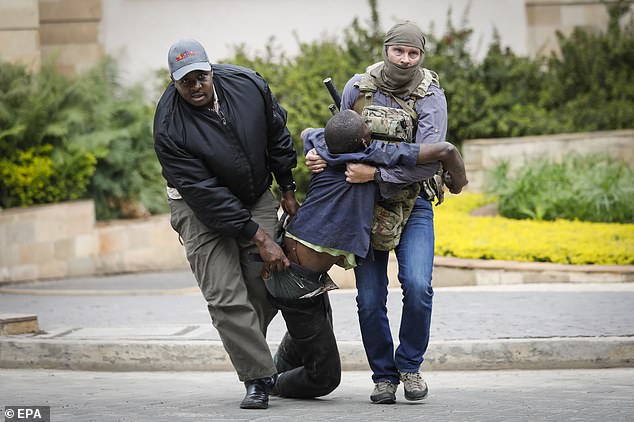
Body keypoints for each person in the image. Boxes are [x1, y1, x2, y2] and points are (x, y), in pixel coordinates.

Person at [269, 110, 467, 398]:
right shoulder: (372, 154)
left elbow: (305, 133)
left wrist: (314, 149)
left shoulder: (324, 144)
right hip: (299, 283)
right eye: (368, 130)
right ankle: (264, 383)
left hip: (298, 267)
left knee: (306, 333)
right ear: (365, 141)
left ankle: (271, 372)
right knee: (324, 377)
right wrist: (458, 181)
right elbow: (446, 149)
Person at [306, 21, 452, 404]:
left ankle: (410, 367)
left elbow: (429, 160)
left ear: (421, 56)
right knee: (369, 299)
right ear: (385, 50)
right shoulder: (358, 87)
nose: (405, 59)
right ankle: (384, 376)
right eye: (398, 51)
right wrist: (320, 157)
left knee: (418, 286)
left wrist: (378, 172)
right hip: (364, 205)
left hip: (414, 200)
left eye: (413, 53)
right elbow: (340, 140)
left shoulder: (430, 95)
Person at [153, 39, 299, 410]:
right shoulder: (169, 126)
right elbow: (206, 196)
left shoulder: (248, 85)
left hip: (252, 194)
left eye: (201, 76)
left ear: (211, 70)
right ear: (174, 83)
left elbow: (277, 134)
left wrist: (287, 186)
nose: (197, 86)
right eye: (187, 81)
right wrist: (258, 235)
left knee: (263, 283)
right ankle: (257, 378)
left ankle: (256, 360)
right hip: (195, 207)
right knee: (223, 294)